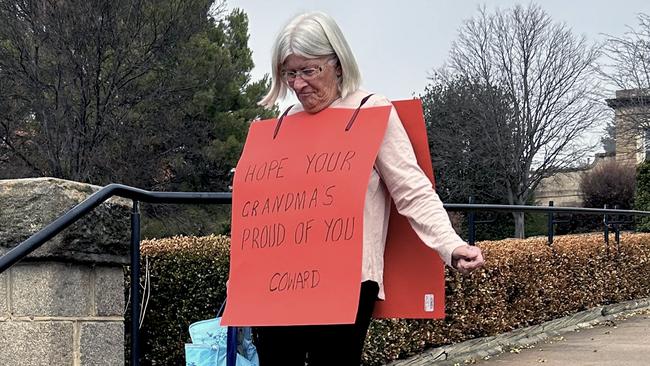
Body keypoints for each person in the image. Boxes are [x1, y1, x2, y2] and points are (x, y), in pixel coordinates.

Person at [254, 11, 485, 366]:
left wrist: (450, 245)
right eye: (289, 73)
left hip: (346, 280)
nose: (298, 84)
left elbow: (412, 189)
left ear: (338, 64)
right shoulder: (284, 122)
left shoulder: (371, 111)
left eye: (308, 70)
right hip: (280, 281)